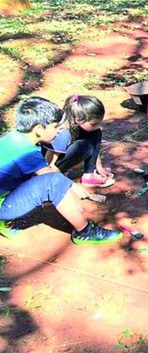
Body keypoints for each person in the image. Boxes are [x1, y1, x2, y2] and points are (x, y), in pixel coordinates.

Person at [0, 97, 122, 245]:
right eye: (55, 126)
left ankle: (5, 221)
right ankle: (84, 232)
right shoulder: (26, 152)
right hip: (4, 203)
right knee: (54, 182)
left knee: (53, 181)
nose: (59, 130)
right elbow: (50, 176)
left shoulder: (15, 138)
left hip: (5, 193)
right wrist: (74, 188)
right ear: (39, 129)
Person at [44, 95, 115, 188]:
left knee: (96, 133)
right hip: (49, 166)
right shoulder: (63, 134)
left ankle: (89, 175)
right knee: (85, 146)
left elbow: (95, 143)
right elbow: (48, 165)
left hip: (63, 156)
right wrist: (70, 185)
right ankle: (60, 176)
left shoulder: (78, 123)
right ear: (78, 120)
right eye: (94, 124)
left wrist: (99, 168)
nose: (98, 126)